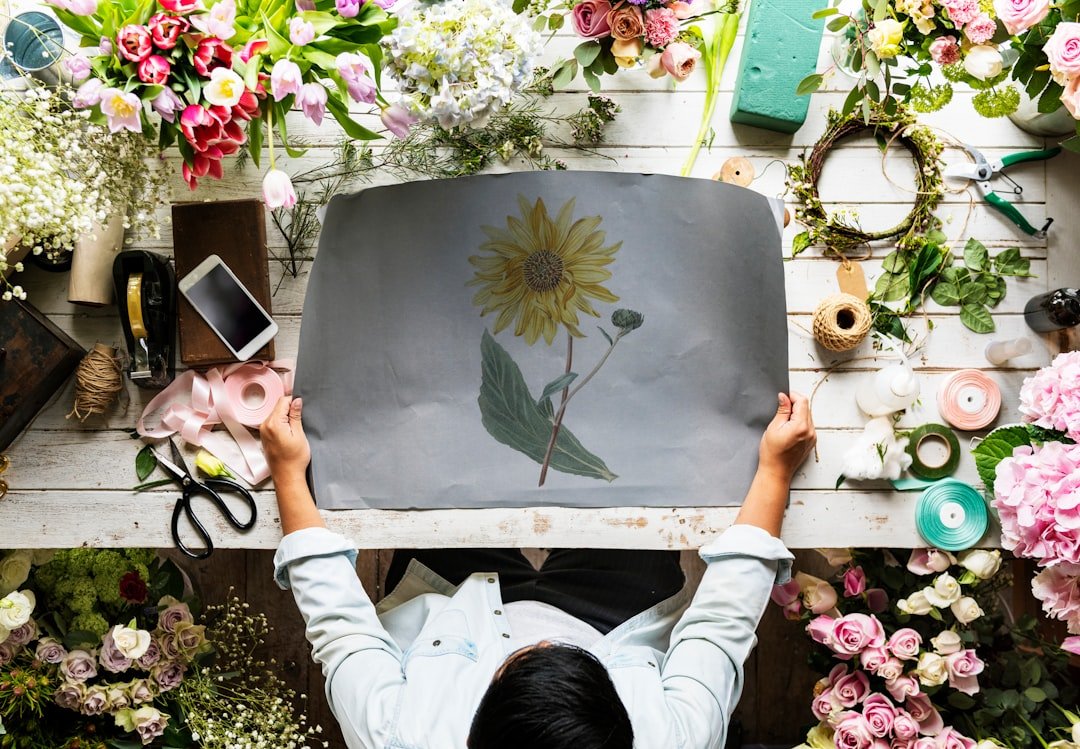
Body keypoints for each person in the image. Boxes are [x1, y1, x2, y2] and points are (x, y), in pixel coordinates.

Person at [262, 391, 816, 749]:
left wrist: (288, 473)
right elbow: (720, 626)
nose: (546, 638)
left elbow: (342, 629)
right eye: (567, 657)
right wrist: (772, 472)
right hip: (613, 620)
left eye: (523, 659)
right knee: (631, 444)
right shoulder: (674, 739)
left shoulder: (402, 737)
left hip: (455, 605)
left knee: (444, 428)